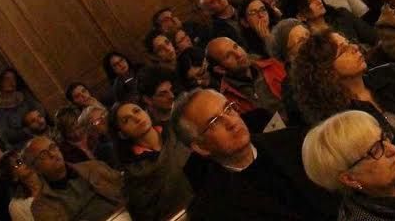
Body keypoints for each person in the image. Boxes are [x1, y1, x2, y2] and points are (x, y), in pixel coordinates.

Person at [289, 32, 395, 159]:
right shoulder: (341, 118)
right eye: (344, 50)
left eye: (349, 42)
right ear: (326, 71)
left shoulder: (387, 75)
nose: (355, 48)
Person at [172, 88, 337, 221]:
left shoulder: (294, 140)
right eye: (214, 122)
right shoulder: (211, 209)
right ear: (201, 146)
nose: (231, 122)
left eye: (229, 109)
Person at [109, 100, 193, 221]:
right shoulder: (134, 174)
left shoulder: (177, 130)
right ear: (122, 134)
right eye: (126, 120)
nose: (137, 119)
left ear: (146, 111)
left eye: (137, 111)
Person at [22, 134, 124, 221]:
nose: (52, 154)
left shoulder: (93, 167)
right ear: (35, 168)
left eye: (53, 147)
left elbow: (126, 186)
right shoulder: (41, 207)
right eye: (43, 154)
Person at [207, 36, 286, 122]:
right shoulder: (226, 101)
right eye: (228, 56)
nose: (238, 54)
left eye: (235, 47)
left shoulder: (272, 65)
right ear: (220, 69)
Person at [291, 0, 378, 48]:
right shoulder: (309, 41)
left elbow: (373, 37)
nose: (318, 1)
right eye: (310, 1)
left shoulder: (341, 15)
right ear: (301, 16)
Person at [0, 69, 44, 147]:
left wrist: (36, 119)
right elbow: (7, 136)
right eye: (7, 79)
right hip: (21, 146)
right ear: (0, 83)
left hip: (40, 134)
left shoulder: (23, 95)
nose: (11, 82)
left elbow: (40, 109)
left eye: (13, 79)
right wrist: (29, 128)